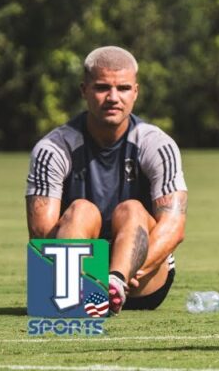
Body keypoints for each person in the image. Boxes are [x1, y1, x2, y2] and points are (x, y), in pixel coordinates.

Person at [25, 46, 187, 315]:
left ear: (135, 92)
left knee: (132, 209)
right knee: (81, 210)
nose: (113, 97)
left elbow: (174, 227)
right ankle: (86, 289)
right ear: (84, 90)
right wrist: (92, 273)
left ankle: (114, 284)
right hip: (75, 274)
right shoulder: (53, 149)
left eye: (123, 88)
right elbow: (41, 235)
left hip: (140, 280)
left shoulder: (157, 145)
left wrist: (126, 273)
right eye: (102, 88)